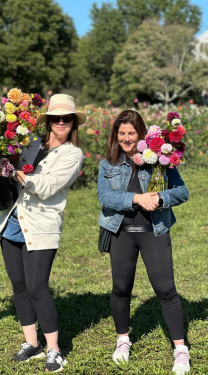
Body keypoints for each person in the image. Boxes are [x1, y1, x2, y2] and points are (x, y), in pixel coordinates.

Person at [0, 94, 85, 373]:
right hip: (12, 223)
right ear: (48, 121)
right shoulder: (29, 144)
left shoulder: (72, 154)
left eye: (67, 118)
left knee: (37, 287)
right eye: (56, 118)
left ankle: (54, 350)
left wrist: (14, 172)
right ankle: (32, 344)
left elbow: (48, 185)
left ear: (73, 123)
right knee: (19, 286)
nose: (62, 122)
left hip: (41, 226)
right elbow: (7, 170)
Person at [97, 110, 190, 375]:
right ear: (116, 135)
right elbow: (105, 198)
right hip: (121, 232)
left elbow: (182, 191)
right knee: (121, 288)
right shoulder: (108, 165)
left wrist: (160, 199)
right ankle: (123, 340)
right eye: (122, 133)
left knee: (165, 289)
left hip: (154, 231)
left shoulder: (159, 161)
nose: (126, 138)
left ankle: (181, 349)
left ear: (141, 134)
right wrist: (136, 199)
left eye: (132, 133)